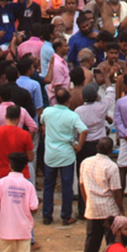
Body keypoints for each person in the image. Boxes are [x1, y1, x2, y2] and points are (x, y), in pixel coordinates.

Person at [40, 87, 87, 225]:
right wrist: (79, 146)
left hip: (50, 154)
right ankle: (66, 216)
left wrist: (46, 131)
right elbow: (84, 130)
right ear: (68, 100)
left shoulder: (47, 112)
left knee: (49, 184)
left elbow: (42, 122)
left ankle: (47, 215)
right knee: (67, 186)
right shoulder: (72, 115)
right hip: (66, 154)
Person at [0, 152, 37, 252]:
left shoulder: (1, 183)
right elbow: (34, 207)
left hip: (6, 227)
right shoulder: (28, 185)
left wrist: (5, 204)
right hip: (24, 227)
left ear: (10, 166)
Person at [82, 139, 124, 252]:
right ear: (111, 150)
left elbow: (82, 186)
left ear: (96, 147)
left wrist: (88, 202)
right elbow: (116, 191)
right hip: (109, 211)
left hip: (93, 209)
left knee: (91, 244)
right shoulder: (111, 166)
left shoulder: (85, 163)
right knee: (111, 244)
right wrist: (121, 210)